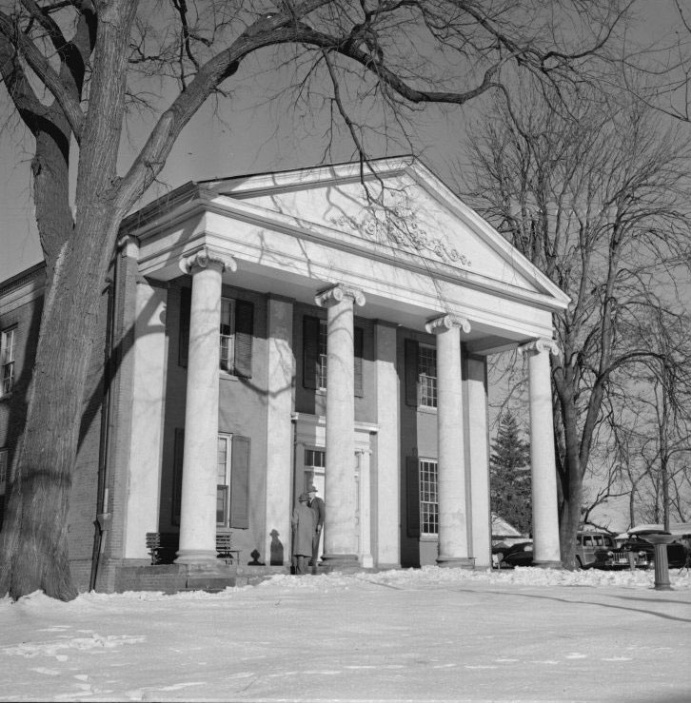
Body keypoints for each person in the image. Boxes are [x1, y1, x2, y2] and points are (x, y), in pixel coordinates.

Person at [291, 493, 316, 575]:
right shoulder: (312, 511)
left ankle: (300, 573)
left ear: (300, 501)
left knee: (300, 554)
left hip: (299, 534)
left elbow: (294, 522)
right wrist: (313, 534)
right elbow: (314, 524)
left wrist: (294, 529)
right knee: (307, 554)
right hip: (309, 535)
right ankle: (304, 572)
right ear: (307, 501)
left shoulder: (297, 509)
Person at [307, 485, 325, 573]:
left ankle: (313, 562)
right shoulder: (307, 502)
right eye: (309, 492)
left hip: (316, 526)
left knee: (315, 544)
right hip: (308, 527)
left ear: (314, 493)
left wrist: (320, 524)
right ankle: (308, 561)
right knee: (308, 544)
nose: (310, 494)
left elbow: (323, 514)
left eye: (311, 492)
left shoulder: (319, 501)